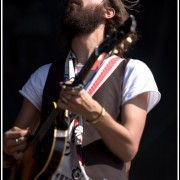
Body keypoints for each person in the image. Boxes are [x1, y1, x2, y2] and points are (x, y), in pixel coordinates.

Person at [3, 0, 161, 179]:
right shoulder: (44, 75)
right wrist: (7, 148)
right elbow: (13, 157)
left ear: (108, 12)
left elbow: (128, 149)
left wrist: (93, 111)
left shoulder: (132, 71)